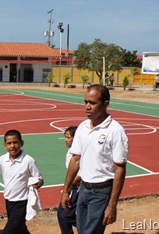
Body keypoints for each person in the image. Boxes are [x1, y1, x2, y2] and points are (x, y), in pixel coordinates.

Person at [61, 84, 129, 234]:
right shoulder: (83, 127)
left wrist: (112, 205)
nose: (87, 107)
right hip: (83, 189)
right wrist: (66, 190)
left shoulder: (115, 131)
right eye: (85, 102)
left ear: (105, 104)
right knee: (82, 230)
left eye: (92, 103)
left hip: (101, 192)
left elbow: (120, 169)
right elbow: (75, 160)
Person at [0, 129, 44, 234]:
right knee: (20, 228)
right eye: (9, 143)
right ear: (5, 145)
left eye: (15, 142)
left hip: (23, 202)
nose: (12, 146)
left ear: (22, 143)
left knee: (9, 230)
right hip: (9, 201)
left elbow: (39, 179)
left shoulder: (28, 160)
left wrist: (38, 183)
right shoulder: (2, 159)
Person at [57, 126, 79, 234]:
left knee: (66, 215)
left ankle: (89, 228)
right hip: (72, 187)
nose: (65, 139)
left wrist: (70, 186)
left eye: (68, 137)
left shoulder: (79, 154)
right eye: (65, 137)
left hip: (79, 187)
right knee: (62, 213)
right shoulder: (70, 152)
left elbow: (82, 175)